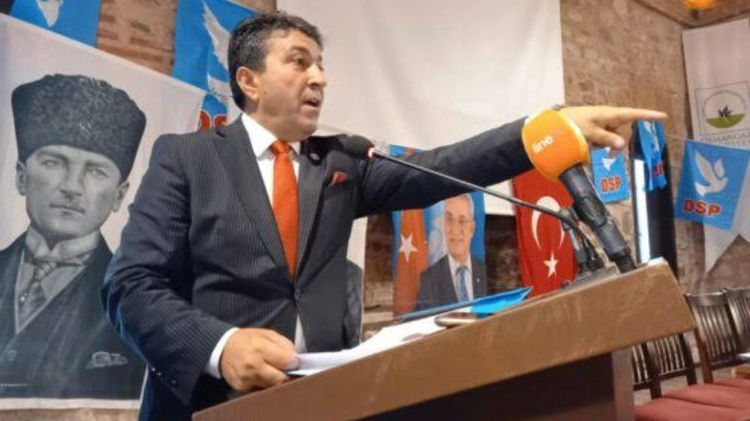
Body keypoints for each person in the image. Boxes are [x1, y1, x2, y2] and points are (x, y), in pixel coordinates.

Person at [102, 11, 666, 421]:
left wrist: (545, 129)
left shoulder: (339, 162)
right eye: (299, 62)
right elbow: (131, 285)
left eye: (321, 65)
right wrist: (220, 348)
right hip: (209, 405)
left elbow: (441, 167)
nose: (319, 78)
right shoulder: (187, 158)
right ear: (248, 80)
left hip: (330, 402)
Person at [0, 74, 146, 399]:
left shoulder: (136, 300)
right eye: (54, 162)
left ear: (119, 195)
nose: (71, 187)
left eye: (96, 171)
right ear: (22, 176)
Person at [417, 194, 487, 310]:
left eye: (462, 221)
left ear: (472, 228)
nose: (455, 229)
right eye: (449, 220)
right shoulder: (429, 279)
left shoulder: (485, 272)